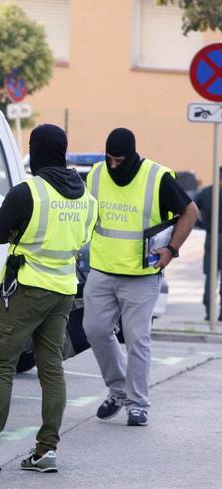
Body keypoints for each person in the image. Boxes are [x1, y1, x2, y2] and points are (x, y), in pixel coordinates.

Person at [0, 124, 97, 474]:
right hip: (63, 290)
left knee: (1, 365)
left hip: (26, 289)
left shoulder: (29, 192)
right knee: (52, 369)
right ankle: (46, 450)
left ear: (35, 152)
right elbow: (82, 238)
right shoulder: (87, 198)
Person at [84, 128, 197, 427]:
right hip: (102, 270)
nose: (113, 166)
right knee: (94, 330)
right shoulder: (95, 174)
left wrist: (172, 250)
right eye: (109, 159)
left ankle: (137, 404)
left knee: (137, 339)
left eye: (119, 160)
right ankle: (118, 390)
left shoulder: (157, 178)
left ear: (132, 156)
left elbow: (190, 212)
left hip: (142, 275)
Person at [195, 168, 222, 320]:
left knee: (210, 277)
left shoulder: (206, 193)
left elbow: (189, 209)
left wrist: (203, 224)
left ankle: (209, 312)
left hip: (211, 238)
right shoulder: (207, 193)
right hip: (213, 236)